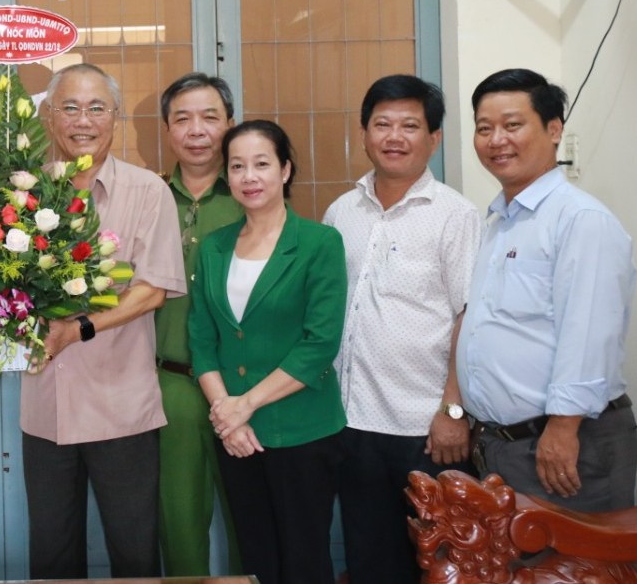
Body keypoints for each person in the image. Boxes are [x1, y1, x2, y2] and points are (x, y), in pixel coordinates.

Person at [22, 62, 186, 579]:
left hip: (122, 407)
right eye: (69, 108)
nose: (83, 120)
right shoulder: (22, 193)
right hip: (46, 404)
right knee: (52, 556)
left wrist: (78, 328)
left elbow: (152, 290)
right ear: (50, 117)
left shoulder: (148, 191)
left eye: (96, 108)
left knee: (134, 554)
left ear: (114, 117)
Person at [323, 75, 481, 584]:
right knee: (371, 562)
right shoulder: (341, 212)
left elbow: (468, 315)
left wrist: (453, 411)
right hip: (352, 421)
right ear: (364, 133)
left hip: (426, 429)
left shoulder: (455, 215)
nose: (394, 137)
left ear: (434, 138)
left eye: (410, 126)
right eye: (382, 124)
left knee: (442, 565)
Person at [459, 68, 636, 512]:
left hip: (565, 444)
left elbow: (590, 335)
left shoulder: (580, 220)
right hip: (504, 446)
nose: (497, 140)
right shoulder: (500, 222)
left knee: (573, 557)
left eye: (512, 125)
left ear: (554, 130)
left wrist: (562, 428)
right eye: (484, 128)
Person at [189, 119, 346, 584]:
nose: (249, 177)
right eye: (237, 166)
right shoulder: (215, 248)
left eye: (261, 164)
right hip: (235, 435)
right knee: (255, 558)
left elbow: (319, 344)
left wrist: (244, 406)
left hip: (302, 431)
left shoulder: (319, 243)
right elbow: (202, 340)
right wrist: (227, 414)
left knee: (305, 561)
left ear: (285, 170)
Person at [154, 72, 242, 576]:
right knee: (179, 522)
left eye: (210, 117)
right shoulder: (149, 197)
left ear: (229, 123)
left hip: (243, 386)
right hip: (170, 383)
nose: (197, 130)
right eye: (182, 119)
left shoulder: (252, 192)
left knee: (250, 518)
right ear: (167, 129)